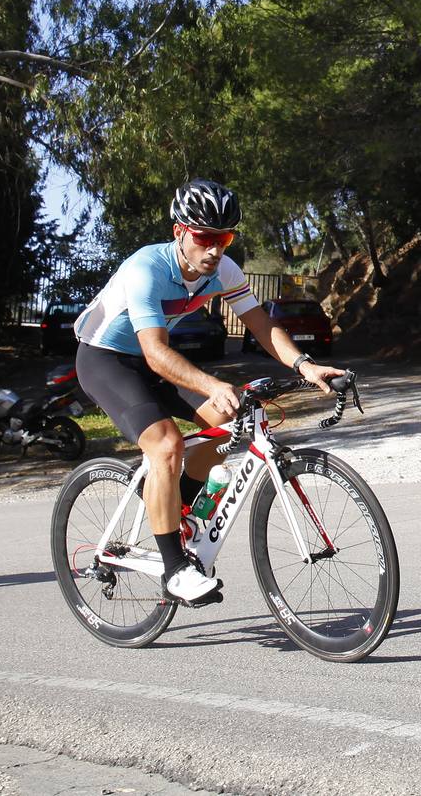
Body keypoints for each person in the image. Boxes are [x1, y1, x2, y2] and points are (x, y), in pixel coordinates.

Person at [74, 179, 344, 606]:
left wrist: (304, 365)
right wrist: (213, 384)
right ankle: (175, 570)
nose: (215, 249)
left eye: (225, 238)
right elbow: (155, 352)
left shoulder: (224, 271)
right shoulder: (146, 269)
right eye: (205, 238)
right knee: (166, 444)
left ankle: (178, 503)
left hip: (154, 360)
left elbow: (259, 323)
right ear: (180, 232)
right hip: (105, 360)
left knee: (228, 419)